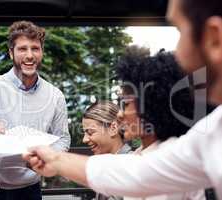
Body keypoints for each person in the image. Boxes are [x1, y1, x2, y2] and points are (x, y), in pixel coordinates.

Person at [23, 0, 222, 198]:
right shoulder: (207, 136)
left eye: (180, 30)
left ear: (214, 37)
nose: (178, 51)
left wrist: (56, 160)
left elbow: (136, 175)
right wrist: (55, 160)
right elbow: (136, 173)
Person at [0, 21, 71, 200]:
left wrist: (51, 157)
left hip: (29, 189)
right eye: (22, 49)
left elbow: (63, 137)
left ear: (42, 52)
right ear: (11, 53)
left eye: (35, 48)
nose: (30, 55)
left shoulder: (56, 95)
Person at [116, 50, 206, 200]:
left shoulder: (173, 159)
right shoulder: (141, 154)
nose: (119, 115)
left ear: (151, 105)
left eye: (125, 104)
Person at [82, 101, 131, 200]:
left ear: (113, 128)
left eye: (90, 132)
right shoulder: (107, 164)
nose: (84, 139)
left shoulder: (129, 167)